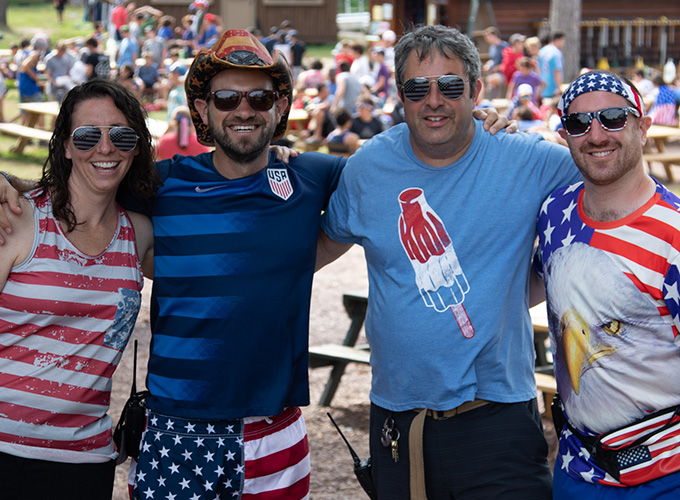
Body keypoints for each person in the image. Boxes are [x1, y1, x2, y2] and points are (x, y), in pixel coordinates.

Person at [0, 29, 512, 499]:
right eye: (226, 98)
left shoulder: (314, 174)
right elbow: (88, 183)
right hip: (178, 428)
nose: (242, 110)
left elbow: (404, 162)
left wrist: (476, 127)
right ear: (203, 107)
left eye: (259, 97)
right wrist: (17, 186)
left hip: (276, 429)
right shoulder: (160, 183)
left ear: (280, 105)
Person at [317, 24, 580, 499]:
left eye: (451, 85)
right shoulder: (367, 169)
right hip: (400, 422)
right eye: (418, 87)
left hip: (498, 418)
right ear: (399, 94)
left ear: (477, 90)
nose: (433, 100)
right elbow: (313, 249)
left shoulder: (527, 159)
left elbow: (607, 177)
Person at [0, 79, 155, 499]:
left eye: (121, 135)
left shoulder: (139, 234)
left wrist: (273, 159)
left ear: (136, 146)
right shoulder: (18, 219)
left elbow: (224, 258)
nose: (105, 149)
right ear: (65, 146)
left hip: (86, 462)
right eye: (87, 136)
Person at [534, 69, 680, 499]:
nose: (596, 134)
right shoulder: (552, 213)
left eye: (614, 118)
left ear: (643, 126)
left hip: (668, 476)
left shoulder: (674, 234)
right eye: (579, 123)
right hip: (577, 469)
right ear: (565, 135)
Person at [538, 31, 565, 100]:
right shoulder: (556, 53)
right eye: (562, 40)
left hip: (542, 87)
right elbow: (557, 70)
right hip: (553, 88)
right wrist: (559, 87)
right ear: (558, 40)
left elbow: (538, 69)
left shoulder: (542, 51)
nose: (563, 43)